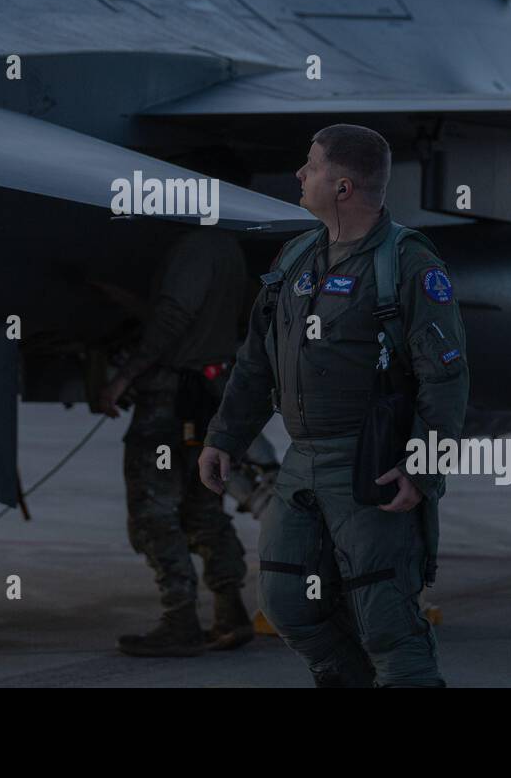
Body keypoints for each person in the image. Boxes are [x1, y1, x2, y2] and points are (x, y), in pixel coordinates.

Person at [198, 124, 469, 686]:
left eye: (312, 166)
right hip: (303, 460)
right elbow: (256, 360)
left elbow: (444, 377)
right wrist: (225, 437)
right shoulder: (296, 258)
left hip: (369, 461)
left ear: (343, 187)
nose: (299, 175)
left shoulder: (408, 265)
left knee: (387, 622)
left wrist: (423, 467)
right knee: (285, 600)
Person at [100, 154, 256, 657]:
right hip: (210, 396)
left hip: (169, 401)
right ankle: (230, 612)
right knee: (203, 507)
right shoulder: (228, 247)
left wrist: (123, 376)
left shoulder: (192, 247)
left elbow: (172, 319)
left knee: (153, 512)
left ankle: (179, 620)